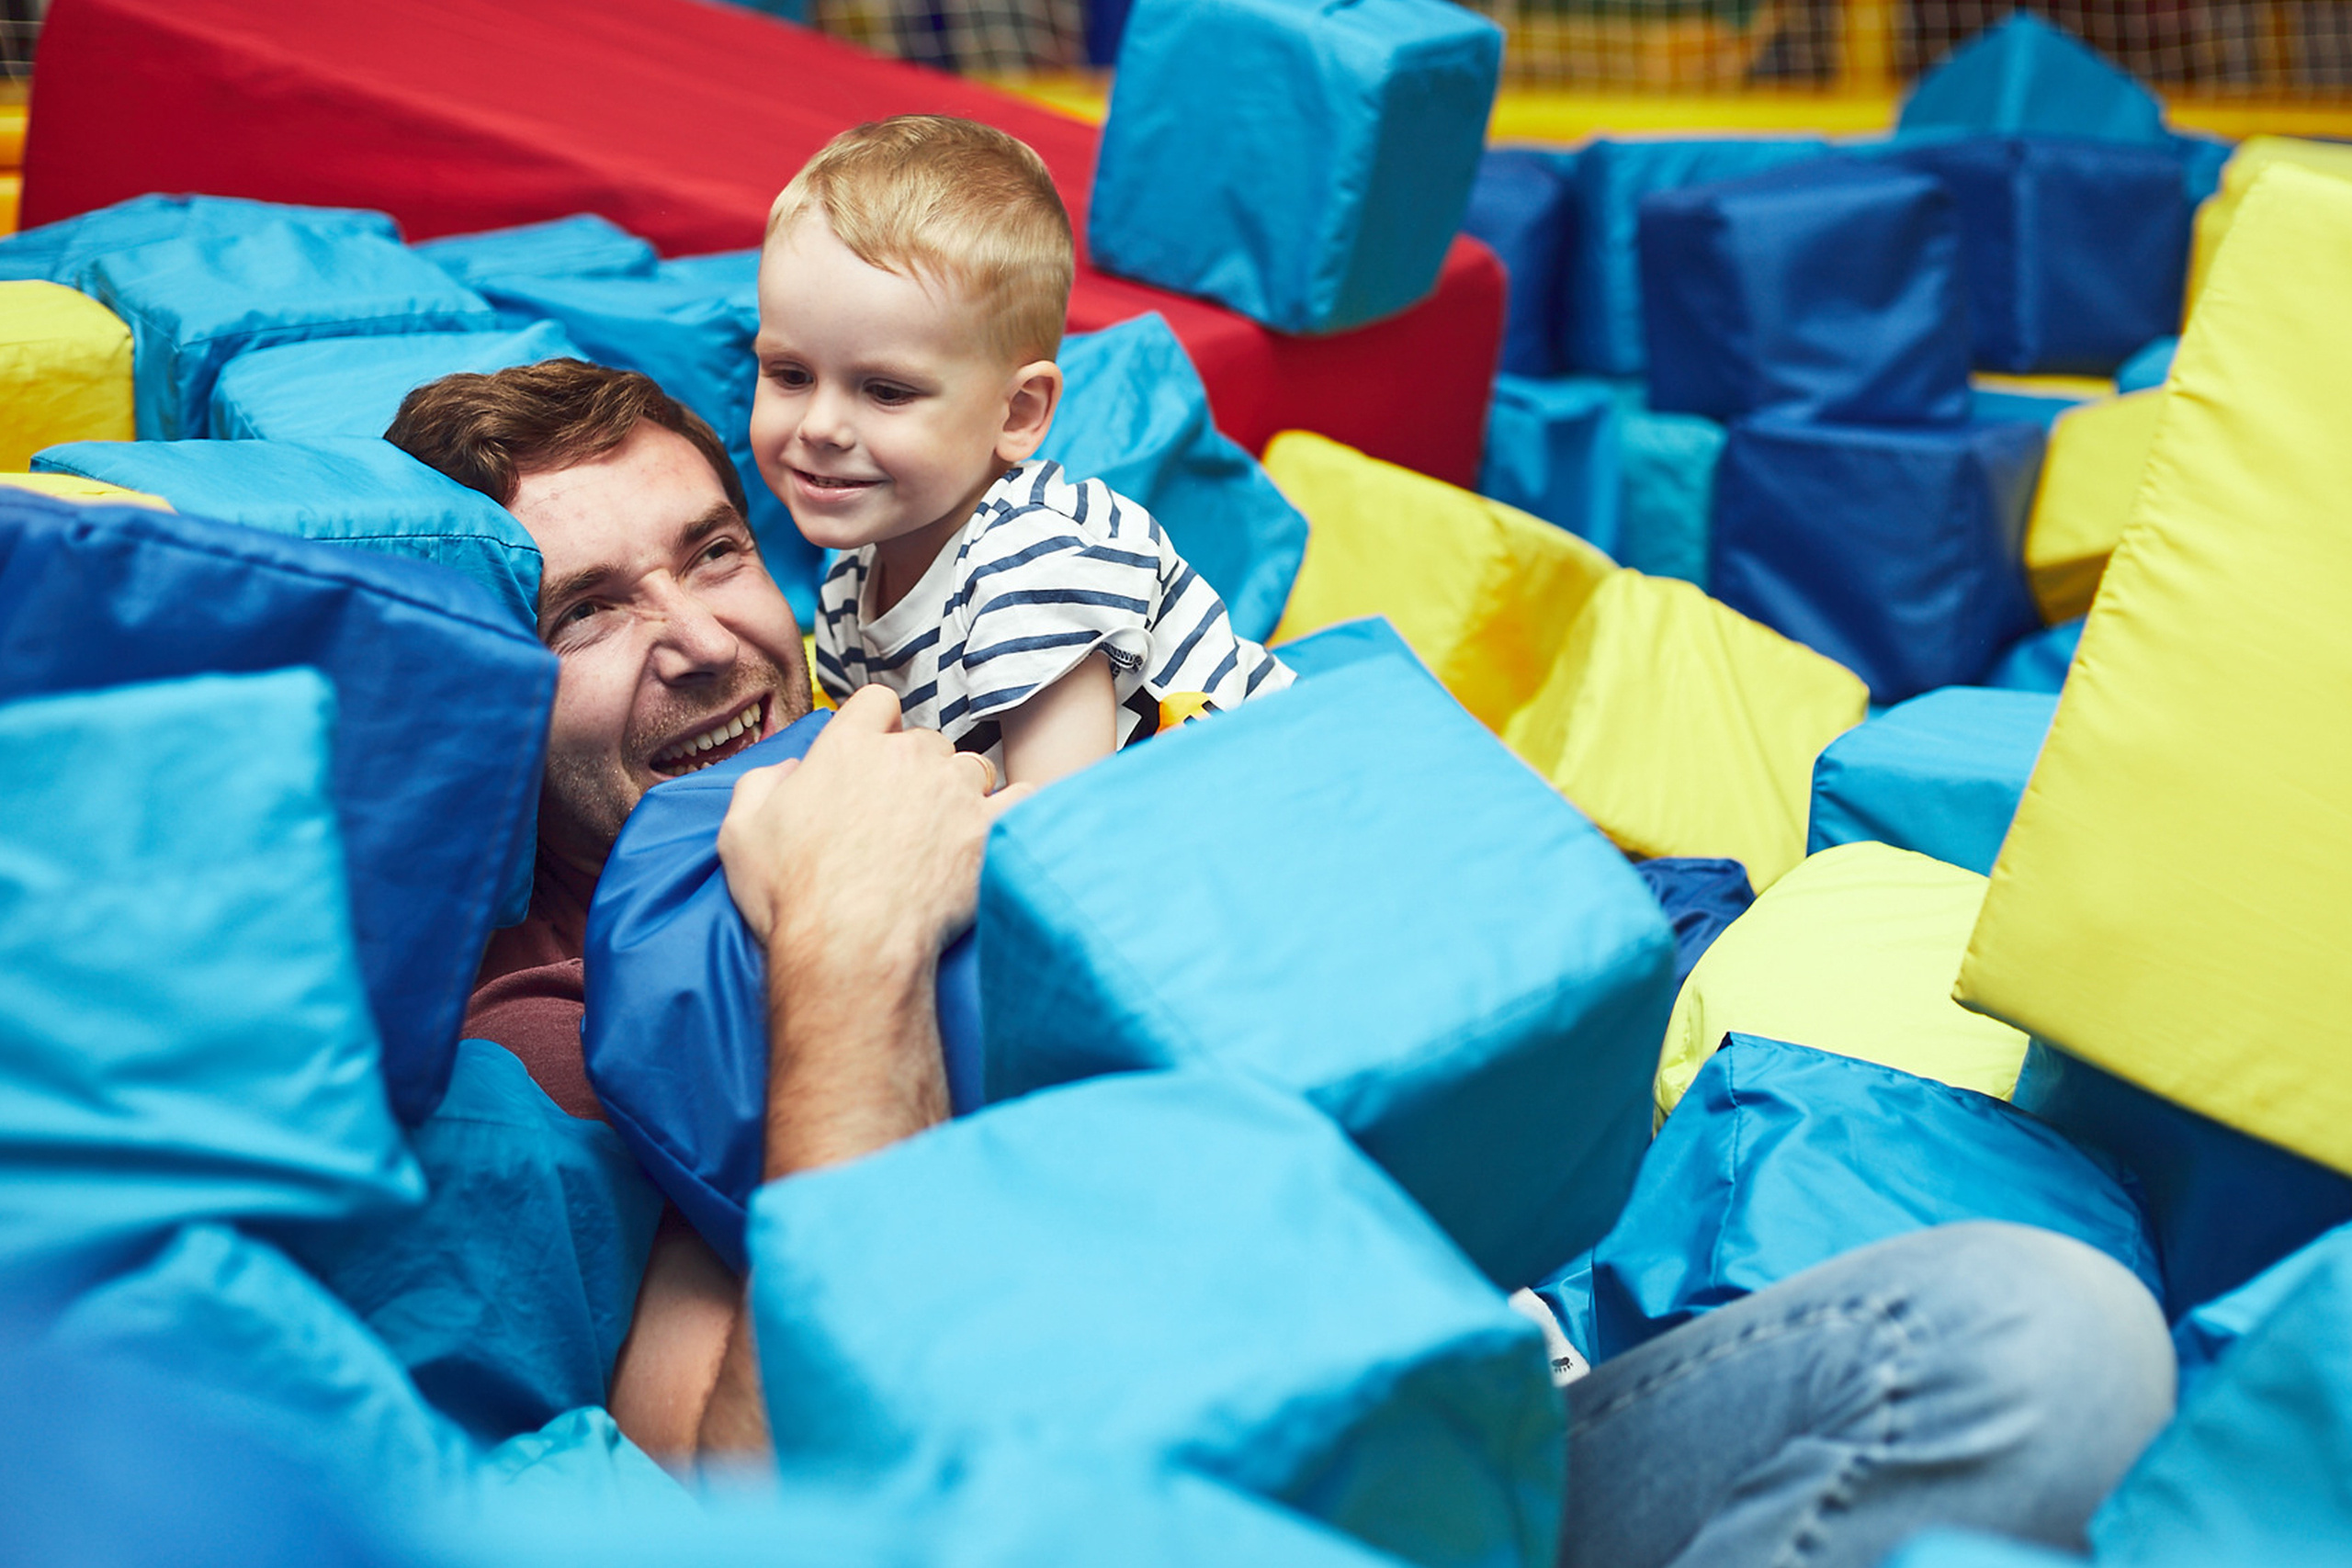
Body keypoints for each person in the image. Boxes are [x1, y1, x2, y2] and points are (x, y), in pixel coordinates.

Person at [388, 360, 2173, 1564]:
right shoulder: (559, 1031)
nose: (702, 642)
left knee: (2031, 1326)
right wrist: (841, 957)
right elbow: (785, 1497)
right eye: (588, 613)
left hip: (1456, 1405)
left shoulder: (966, 699)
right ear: (474, 691)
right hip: (1165, 1506)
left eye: (711, 554)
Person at [753, 114, 1291, 787]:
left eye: (886, 391)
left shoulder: (1030, 560)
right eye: (789, 374)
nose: (821, 426)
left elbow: (1062, 822)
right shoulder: (846, 593)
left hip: (1277, 798)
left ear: (1018, 413)